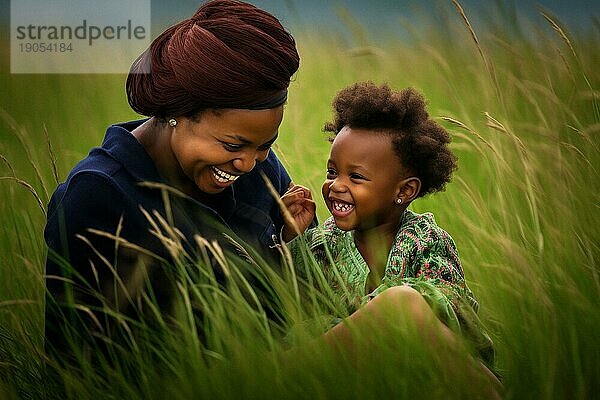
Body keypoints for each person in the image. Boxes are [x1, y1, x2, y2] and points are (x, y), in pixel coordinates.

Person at [44, 0, 305, 362]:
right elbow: (75, 363)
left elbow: (297, 301)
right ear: (177, 113)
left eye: (265, 145)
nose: (247, 162)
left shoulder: (258, 169)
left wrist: (294, 243)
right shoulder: (100, 195)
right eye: (232, 144)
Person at [281, 81, 500, 395]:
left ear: (404, 191)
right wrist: (293, 238)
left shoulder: (425, 242)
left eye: (355, 176)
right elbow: (294, 300)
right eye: (332, 172)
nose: (336, 186)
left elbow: (443, 304)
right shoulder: (323, 243)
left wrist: (378, 308)